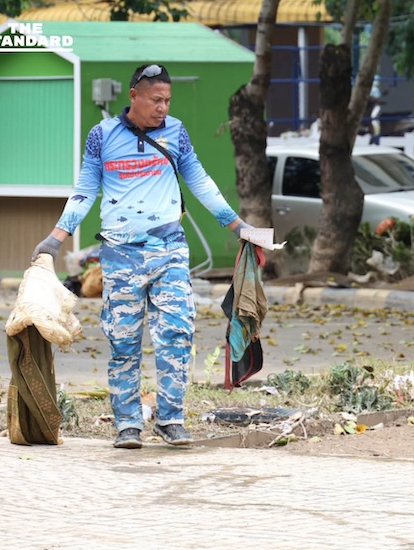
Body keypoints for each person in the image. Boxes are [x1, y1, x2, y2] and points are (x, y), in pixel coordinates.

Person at [32, 64, 251, 450]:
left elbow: (199, 180)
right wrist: (55, 238)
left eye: (167, 100)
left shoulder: (176, 132)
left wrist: (237, 227)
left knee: (177, 334)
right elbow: (85, 190)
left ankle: (171, 419)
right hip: (119, 254)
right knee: (124, 342)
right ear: (134, 96)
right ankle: (127, 425)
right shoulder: (102, 136)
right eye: (156, 100)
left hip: (169, 250)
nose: (163, 107)